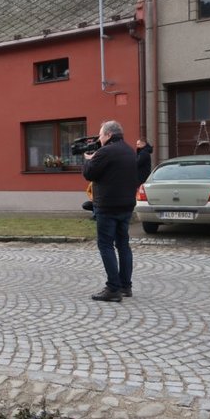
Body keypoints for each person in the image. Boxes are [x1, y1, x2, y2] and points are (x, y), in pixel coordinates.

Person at [83, 120, 137, 302]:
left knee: (105, 245)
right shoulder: (129, 151)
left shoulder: (105, 152)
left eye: (100, 135)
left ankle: (113, 288)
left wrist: (88, 159)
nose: (99, 138)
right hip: (126, 205)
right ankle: (126, 286)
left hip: (108, 206)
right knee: (123, 245)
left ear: (108, 134)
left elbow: (89, 174)